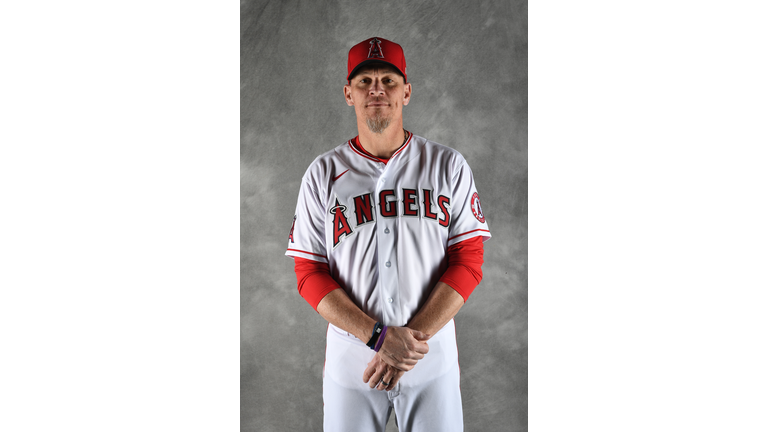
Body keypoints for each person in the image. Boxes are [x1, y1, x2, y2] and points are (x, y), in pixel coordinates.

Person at [286, 36, 491, 432]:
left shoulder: (447, 165)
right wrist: (378, 337)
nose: (376, 89)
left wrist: (406, 344)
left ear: (406, 92)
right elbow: (309, 274)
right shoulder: (322, 174)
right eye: (365, 81)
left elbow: (469, 262)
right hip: (352, 362)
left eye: (388, 80)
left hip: (430, 358)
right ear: (348, 93)